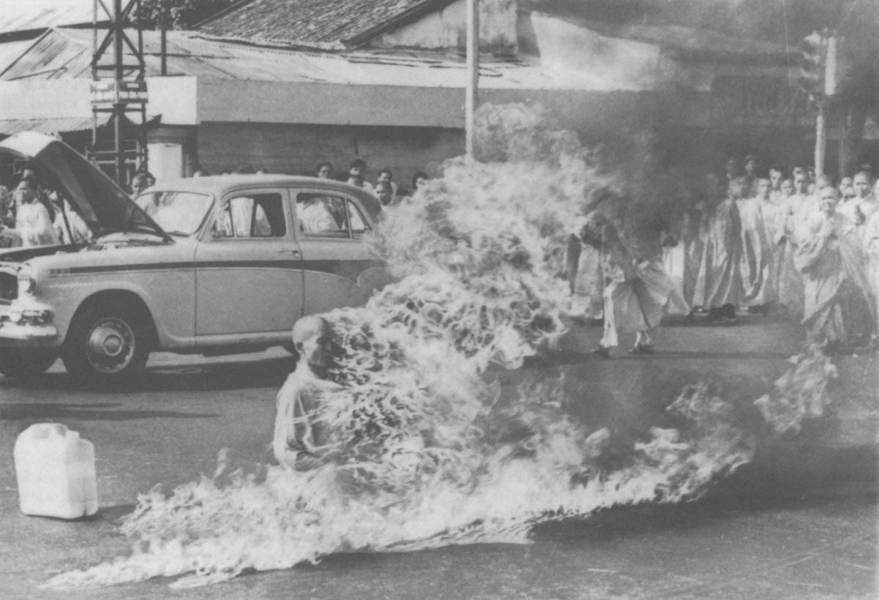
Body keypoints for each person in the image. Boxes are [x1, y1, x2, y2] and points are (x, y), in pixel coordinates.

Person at [579, 209, 686, 357]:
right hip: (631, 273)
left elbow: (623, 255)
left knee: (611, 298)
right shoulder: (611, 230)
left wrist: (631, 273)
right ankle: (644, 341)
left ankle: (607, 343)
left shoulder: (610, 230)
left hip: (631, 273)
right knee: (634, 305)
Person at [795, 186, 874, 351]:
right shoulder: (813, 219)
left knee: (835, 299)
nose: (827, 202)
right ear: (819, 201)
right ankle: (818, 337)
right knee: (817, 297)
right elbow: (804, 242)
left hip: (837, 265)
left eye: (831, 198)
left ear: (837, 200)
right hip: (818, 265)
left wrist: (840, 241)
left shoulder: (843, 218)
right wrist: (823, 237)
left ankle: (834, 337)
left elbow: (854, 242)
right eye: (823, 198)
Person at [273, 316, 342, 470]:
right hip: (320, 483)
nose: (330, 349)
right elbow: (286, 452)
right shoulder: (298, 390)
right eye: (322, 342)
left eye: (331, 341)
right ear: (300, 347)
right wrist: (331, 472)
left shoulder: (329, 381)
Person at [692, 177, 744, 321]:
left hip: (728, 246)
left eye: (720, 187)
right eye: (713, 188)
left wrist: (736, 244)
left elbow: (737, 225)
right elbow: (703, 224)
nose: (716, 190)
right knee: (713, 275)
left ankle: (728, 308)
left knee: (728, 277)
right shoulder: (709, 205)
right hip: (713, 246)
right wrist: (705, 239)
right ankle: (715, 308)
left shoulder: (730, 204)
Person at [13, 178, 58, 247]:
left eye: (24, 189)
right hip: (28, 249)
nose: (21, 192)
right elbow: (18, 232)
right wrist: (5, 231)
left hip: (44, 249)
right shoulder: (21, 210)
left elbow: (43, 231)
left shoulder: (40, 208)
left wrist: (23, 233)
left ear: (33, 190)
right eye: (20, 189)